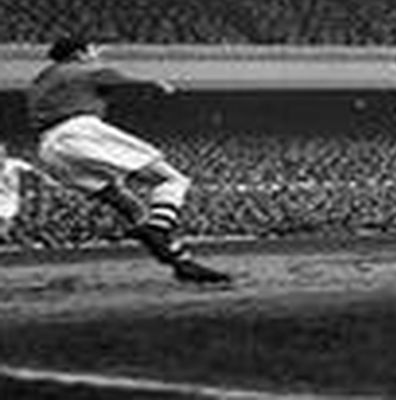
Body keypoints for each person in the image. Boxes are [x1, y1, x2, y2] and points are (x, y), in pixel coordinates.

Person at [26, 37, 231, 283]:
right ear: (80, 53)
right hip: (80, 132)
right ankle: (159, 228)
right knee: (172, 180)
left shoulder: (41, 80)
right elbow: (123, 83)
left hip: (49, 149)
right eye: (93, 49)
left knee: (131, 207)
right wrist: (157, 86)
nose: (97, 54)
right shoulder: (86, 69)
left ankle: (182, 264)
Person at [0, 142, 47, 242]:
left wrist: (39, 180)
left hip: (10, 200)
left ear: (5, 154)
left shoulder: (14, 164)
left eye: (2, 153)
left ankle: (7, 237)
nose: (0, 156)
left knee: (8, 219)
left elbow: (33, 171)